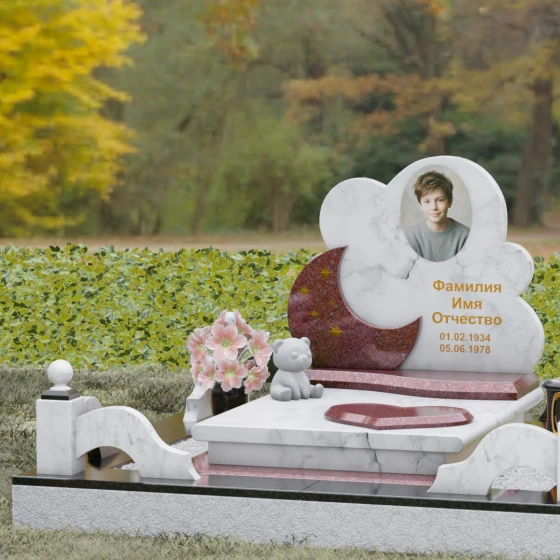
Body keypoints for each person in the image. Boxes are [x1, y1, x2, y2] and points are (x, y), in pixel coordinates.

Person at [405, 171, 470, 262]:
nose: (434, 207)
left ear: (450, 202)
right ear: (420, 205)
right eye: (427, 201)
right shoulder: (412, 237)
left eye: (440, 200)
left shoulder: (465, 236)